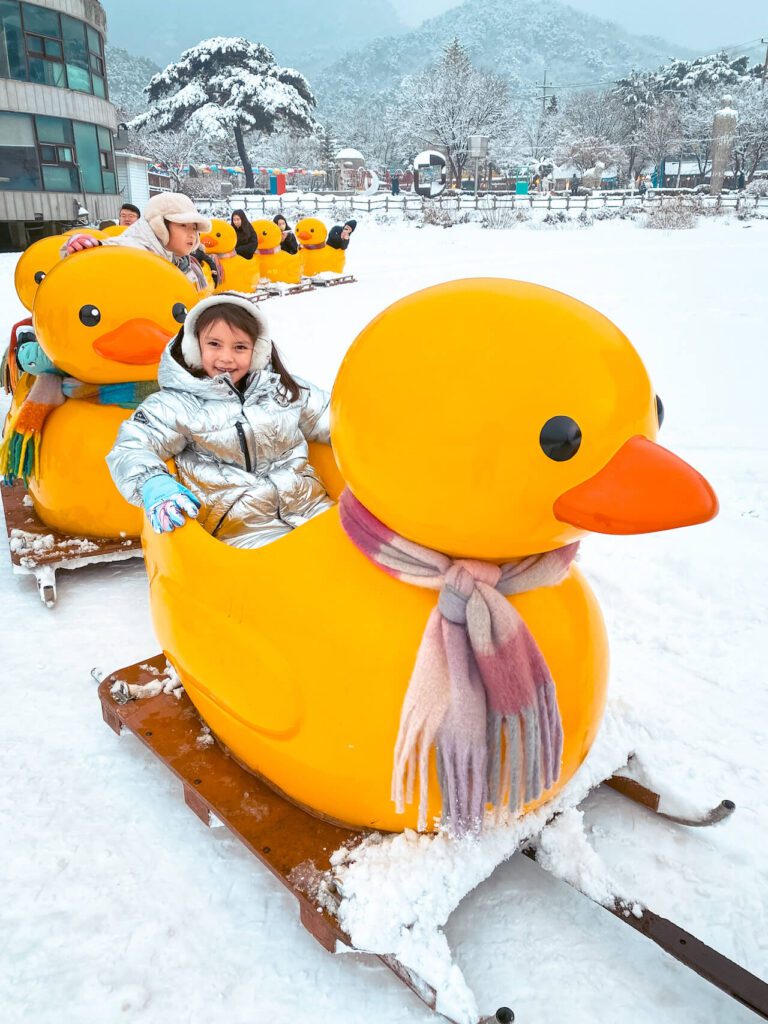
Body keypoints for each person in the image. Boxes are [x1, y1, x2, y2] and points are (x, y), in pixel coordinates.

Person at [106, 294, 333, 550]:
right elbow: (132, 446)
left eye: (240, 347)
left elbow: (336, 418)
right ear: (194, 347)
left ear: (257, 351)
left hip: (311, 507)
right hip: (238, 530)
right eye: (214, 344)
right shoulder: (176, 405)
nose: (226, 358)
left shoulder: (283, 391)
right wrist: (152, 482)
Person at [64, 193, 210, 290]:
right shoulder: (137, 250)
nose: (191, 234)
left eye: (194, 228)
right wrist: (83, 246)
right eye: (183, 225)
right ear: (160, 225)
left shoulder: (179, 260)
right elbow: (110, 252)